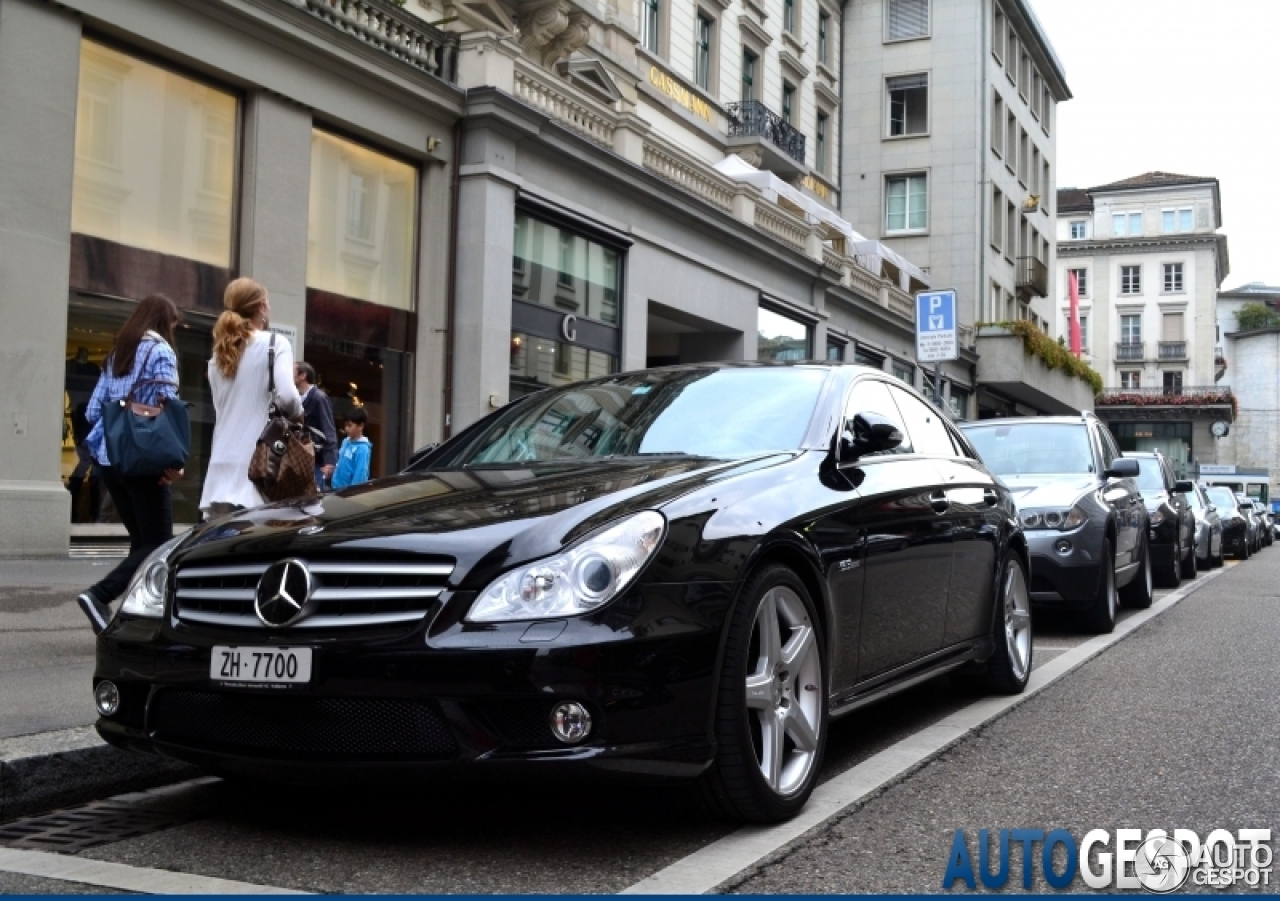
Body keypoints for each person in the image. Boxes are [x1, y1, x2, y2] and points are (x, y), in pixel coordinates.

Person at [76, 295, 185, 634]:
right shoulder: (161, 352)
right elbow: (164, 407)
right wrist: (173, 459)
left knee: (142, 543)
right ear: (164, 322)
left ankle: (136, 615)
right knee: (159, 543)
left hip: (111, 460)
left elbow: (94, 411)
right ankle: (100, 595)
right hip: (144, 462)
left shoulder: (115, 355)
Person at [199, 277, 302, 518]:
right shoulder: (275, 343)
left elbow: (220, 410)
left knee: (224, 547)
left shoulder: (219, 355)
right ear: (261, 308)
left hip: (220, 465)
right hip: (259, 465)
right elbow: (287, 396)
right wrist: (298, 412)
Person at [294, 361, 337, 490]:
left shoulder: (319, 398)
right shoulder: (297, 397)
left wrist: (329, 460)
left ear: (302, 376)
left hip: (315, 461)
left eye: (292, 372)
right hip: (301, 460)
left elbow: (328, 428)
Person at [331, 407, 372, 490]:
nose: (346, 428)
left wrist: (353, 492)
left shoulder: (363, 448)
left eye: (349, 425)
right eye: (345, 425)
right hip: (336, 488)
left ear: (361, 426)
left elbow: (360, 473)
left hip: (349, 492)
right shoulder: (345, 441)